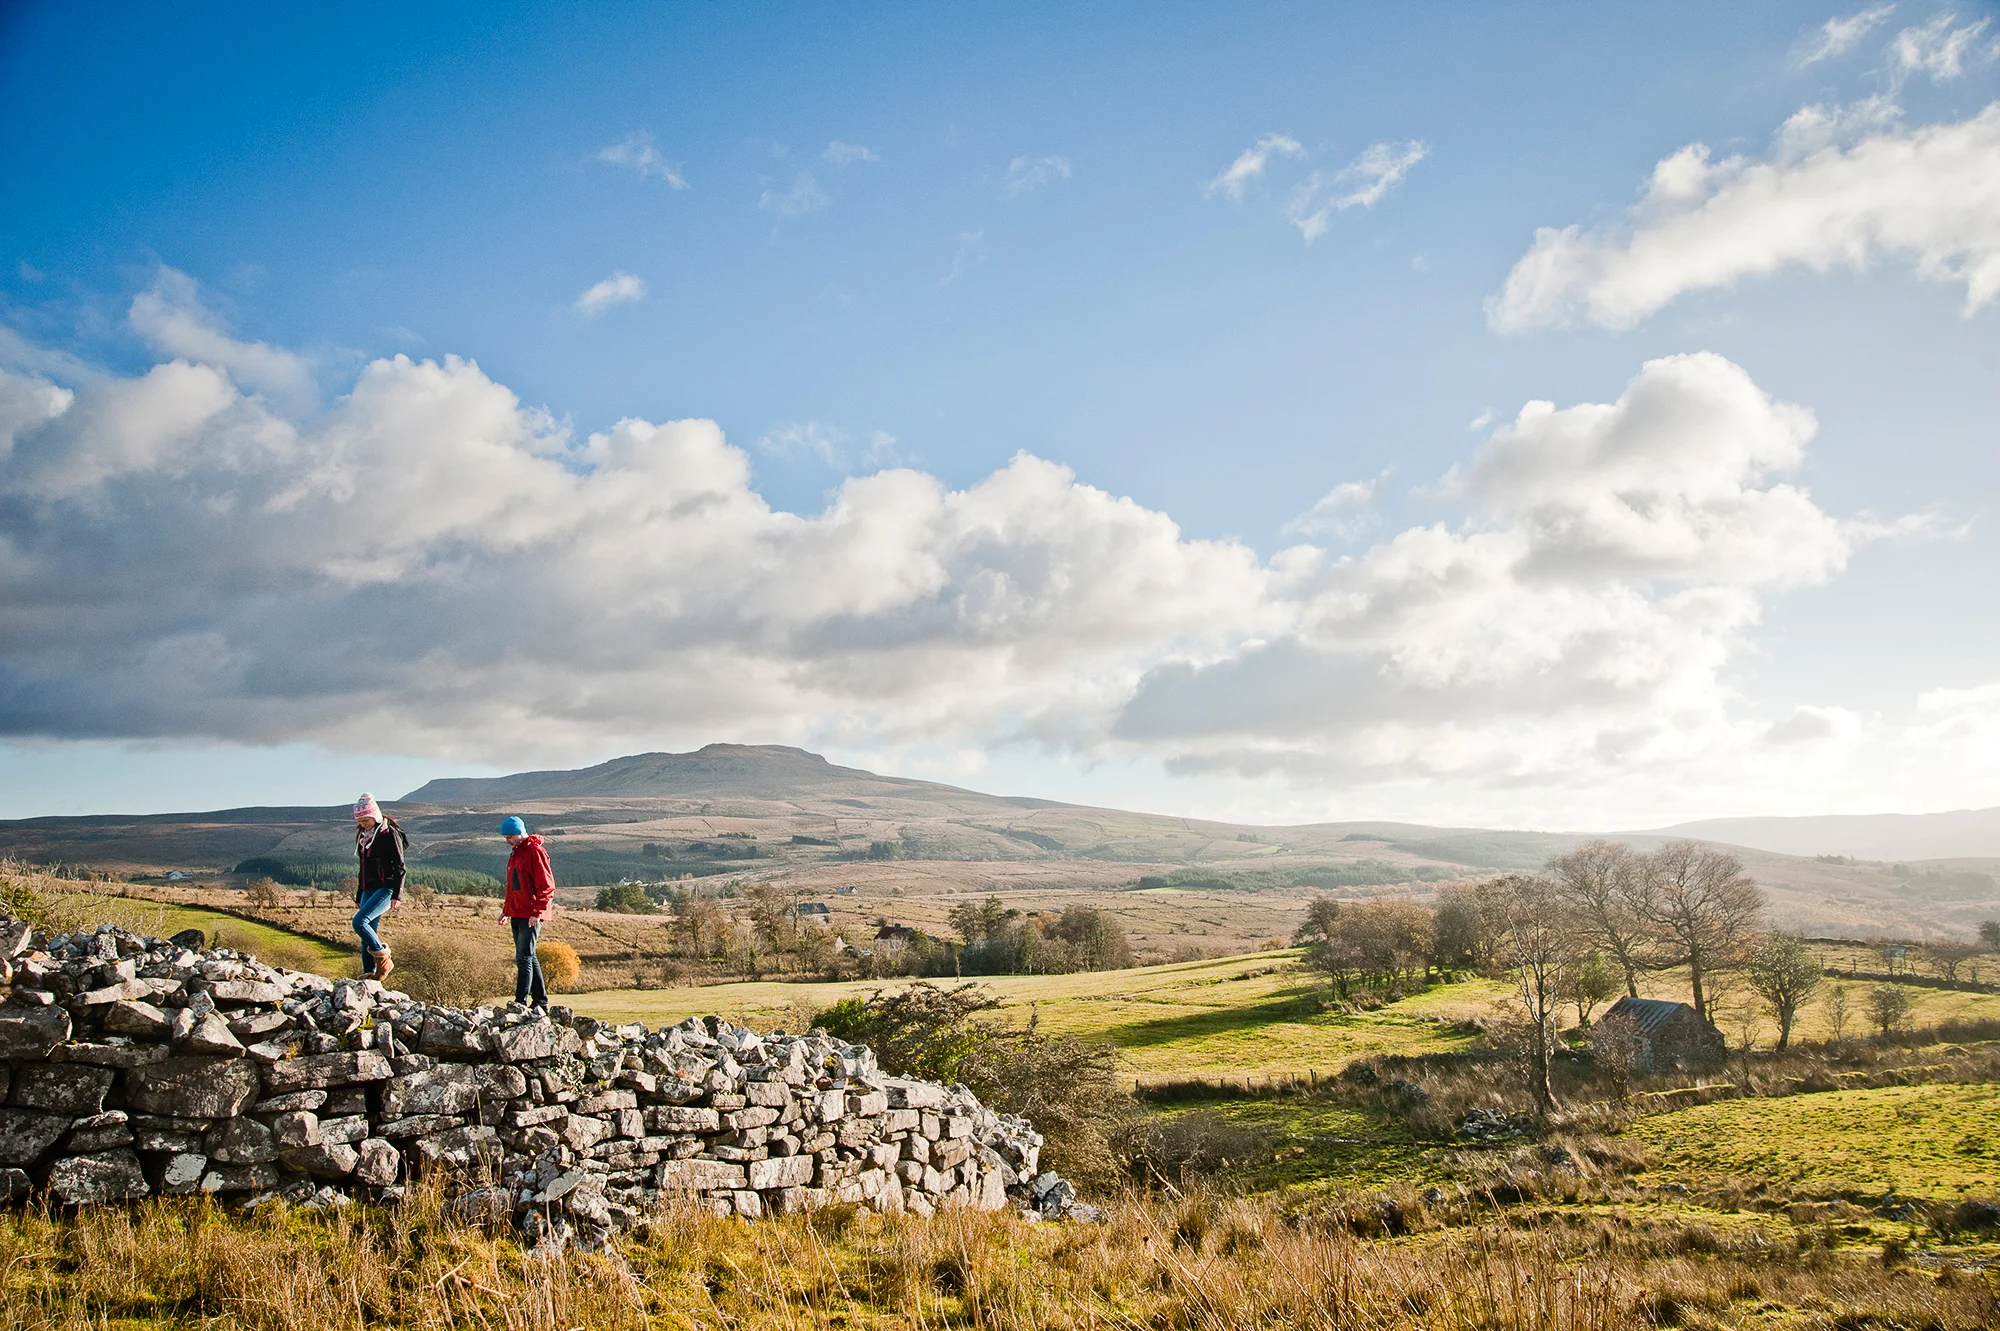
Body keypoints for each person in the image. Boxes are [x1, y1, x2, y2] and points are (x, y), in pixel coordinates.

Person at [500, 815, 555, 1011]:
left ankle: (520, 1002)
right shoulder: (517, 853)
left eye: (509, 837)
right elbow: (514, 886)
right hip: (518, 911)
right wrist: (506, 911)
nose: (507, 841)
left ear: (519, 833)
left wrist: (537, 911)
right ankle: (541, 1001)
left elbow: (547, 886)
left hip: (531, 913)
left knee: (524, 957)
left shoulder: (534, 851)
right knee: (528, 956)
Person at [352, 793, 405, 980]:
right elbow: (363, 868)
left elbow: (400, 866)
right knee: (367, 933)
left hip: (386, 887)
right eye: (360, 821)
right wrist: (359, 895)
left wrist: (397, 894)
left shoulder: (389, 834)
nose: (363, 824)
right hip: (368, 889)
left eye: (366, 820)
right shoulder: (363, 838)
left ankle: (383, 957)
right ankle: (369, 973)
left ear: (375, 816)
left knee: (359, 923)